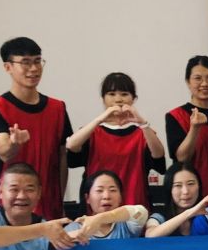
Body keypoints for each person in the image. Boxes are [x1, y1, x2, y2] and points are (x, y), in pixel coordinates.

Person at [0, 36, 72, 221]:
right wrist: (14, 144)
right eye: (26, 62)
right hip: (6, 205)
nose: (34, 68)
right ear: (8, 67)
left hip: (47, 202)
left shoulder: (58, 108)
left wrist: (58, 200)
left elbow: (62, 157)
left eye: (37, 61)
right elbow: (4, 152)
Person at [66, 72, 164, 209]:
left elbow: (158, 155)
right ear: (103, 99)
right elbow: (71, 145)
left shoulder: (143, 132)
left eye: (124, 94)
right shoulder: (92, 132)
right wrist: (100, 119)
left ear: (134, 99)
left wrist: (143, 123)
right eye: (111, 94)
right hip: (97, 208)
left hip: (134, 207)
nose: (118, 99)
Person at [165, 55, 208, 201]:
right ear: (188, 82)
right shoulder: (176, 116)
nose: (205, 83)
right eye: (198, 78)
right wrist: (195, 128)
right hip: (190, 196)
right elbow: (182, 158)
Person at [146, 162, 208, 239]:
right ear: (169, 189)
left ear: (199, 186)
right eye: (178, 185)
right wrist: (189, 213)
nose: (185, 191)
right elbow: (150, 235)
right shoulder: (160, 215)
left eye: (190, 184)